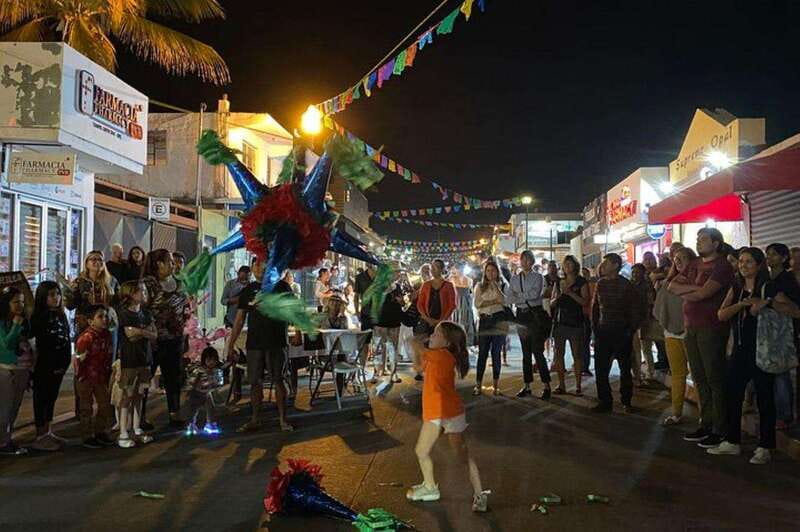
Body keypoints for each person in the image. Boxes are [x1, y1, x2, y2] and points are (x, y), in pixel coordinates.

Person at [406, 322, 489, 513]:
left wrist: (414, 342)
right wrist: (416, 348)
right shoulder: (437, 356)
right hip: (452, 411)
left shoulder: (441, 355)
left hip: (437, 411)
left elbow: (420, 351)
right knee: (462, 455)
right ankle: (479, 494)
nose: (431, 336)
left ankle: (430, 488)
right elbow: (418, 367)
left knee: (422, 451)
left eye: (436, 334)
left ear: (447, 342)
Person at [669, 228, 735, 448]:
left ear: (716, 243)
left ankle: (720, 429)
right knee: (699, 378)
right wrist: (695, 289)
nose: (698, 243)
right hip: (691, 327)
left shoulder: (722, 266)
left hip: (712, 327)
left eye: (703, 239)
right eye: (697, 239)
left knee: (714, 378)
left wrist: (690, 291)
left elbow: (704, 294)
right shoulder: (694, 263)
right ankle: (706, 424)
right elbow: (672, 285)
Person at [709, 247, 776, 464]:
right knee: (733, 394)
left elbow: (786, 309)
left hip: (763, 350)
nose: (743, 265)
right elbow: (721, 314)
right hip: (740, 349)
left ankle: (765, 446)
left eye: (748, 262)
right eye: (741, 261)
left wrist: (765, 304)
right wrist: (741, 304)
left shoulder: (768, 287)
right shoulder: (737, 287)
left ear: (759, 264)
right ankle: (732, 441)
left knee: (765, 398)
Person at [226, 258, 294, 432]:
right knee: (254, 381)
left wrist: (299, 332)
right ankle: (255, 419)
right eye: (255, 265)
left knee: (278, 379)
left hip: (276, 341)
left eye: (262, 265)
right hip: (254, 342)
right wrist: (231, 343)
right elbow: (240, 319)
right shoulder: (249, 290)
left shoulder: (282, 287)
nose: (259, 268)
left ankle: (283, 420)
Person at [142, 249, 190, 429]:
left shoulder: (179, 282)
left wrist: (185, 320)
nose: (173, 264)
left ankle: (174, 412)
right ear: (158, 264)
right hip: (153, 340)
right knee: (145, 378)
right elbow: (141, 308)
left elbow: (186, 305)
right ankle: (140, 416)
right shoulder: (148, 284)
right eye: (169, 261)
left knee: (173, 377)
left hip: (175, 338)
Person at [591, 253, 642, 413]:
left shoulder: (626, 285)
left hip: (621, 331)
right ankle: (605, 401)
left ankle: (626, 400)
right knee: (601, 369)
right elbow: (595, 308)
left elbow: (635, 309)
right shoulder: (600, 284)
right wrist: (595, 329)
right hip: (603, 331)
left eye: (606, 263)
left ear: (615, 265)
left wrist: (630, 330)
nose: (602, 266)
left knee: (625, 368)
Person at [655, 247, 696, 426]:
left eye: (682, 258)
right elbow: (659, 309)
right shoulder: (668, 282)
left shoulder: (700, 281)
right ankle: (676, 412)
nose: (678, 261)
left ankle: (706, 417)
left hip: (693, 334)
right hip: (671, 334)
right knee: (678, 374)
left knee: (698, 375)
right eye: (676, 259)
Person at [29, 281, 71, 451]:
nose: (56, 298)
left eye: (58, 294)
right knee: (42, 399)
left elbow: (66, 337)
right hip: (45, 365)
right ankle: (40, 435)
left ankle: (48, 431)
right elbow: (39, 344)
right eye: (52, 295)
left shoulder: (61, 315)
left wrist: (64, 362)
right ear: (43, 297)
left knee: (52, 398)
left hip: (60, 364)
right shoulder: (38, 317)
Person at [506, 250, 552, 399]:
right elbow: (509, 298)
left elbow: (534, 294)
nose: (525, 262)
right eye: (523, 259)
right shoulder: (514, 278)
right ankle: (527, 385)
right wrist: (522, 297)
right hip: (521, 316)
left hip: (534, 315)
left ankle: (546, 385)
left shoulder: (538, 277)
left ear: (532, 261)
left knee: (537, 351)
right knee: (525, 352)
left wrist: (518, 296)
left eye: (528, 259)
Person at [116, 281, 156, 448]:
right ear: (131, 294)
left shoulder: (146, 313)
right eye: (141, 291)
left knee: (140, 394)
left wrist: (139, 331)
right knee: (127, 395)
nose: (145, 293)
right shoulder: (124, 314)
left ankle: (137, 428)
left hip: (144, 358)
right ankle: (123, 432)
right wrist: (144, 332)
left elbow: (154, 334)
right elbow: (129, 335)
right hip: (130, 360)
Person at [764, 243, 800, 430]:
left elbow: (793, 307)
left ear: (784, 258)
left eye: (774, 254)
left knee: (781, 372)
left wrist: (771, 302)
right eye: (767, 254)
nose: (769, 257)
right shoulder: (768, 278)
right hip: (770, 331)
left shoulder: (787, 280)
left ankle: (785, 415)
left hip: (786, 331)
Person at [74, 305, 115, 448]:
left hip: (100, 376)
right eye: (100, 317)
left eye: (105, 316)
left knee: (105, 404)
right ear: (90, 321)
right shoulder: (86, 338)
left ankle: (100, 431)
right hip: (86, 377)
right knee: (86, 407)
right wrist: (80, 375)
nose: (104, 319)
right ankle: (87, 436)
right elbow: (78, 360)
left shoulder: (106, 335)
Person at [0, 287, 32, 455]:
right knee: (5, 408)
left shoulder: (24, 320)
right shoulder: (3, 322)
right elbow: (7, 344)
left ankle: (7, 439)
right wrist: (15, 325)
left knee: (14, 407)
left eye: (22, 301)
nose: (20, 305)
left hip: (22, 369)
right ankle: (3, 442)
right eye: (15, 302)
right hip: (7, 370)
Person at [551, 255, 589, 395]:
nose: (567, 266)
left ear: (575, 266)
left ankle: (578, 386)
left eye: (570, 264)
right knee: (559, 354)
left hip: (576, 322)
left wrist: (570, 293)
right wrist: (558, 297)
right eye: (565, 264)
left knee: (576, 355)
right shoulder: (559, 282)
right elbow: (552, 302)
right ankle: (561, 385)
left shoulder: (581, 282)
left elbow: (585, 301)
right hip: (560, 322)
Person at [416, 259, 458, 381]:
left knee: (442, 346)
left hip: (443, 321)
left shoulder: (449, 285)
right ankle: (426, 370)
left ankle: (441, 370)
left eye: (435, 268)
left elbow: (452, 305)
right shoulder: (426, 285)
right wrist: (426, 318)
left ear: (441, 269)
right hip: (427, 320)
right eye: (432, 268)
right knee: (426, 345)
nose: (432, 270)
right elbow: (420, 304)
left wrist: (441, 320)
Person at [473, 261, 508, 396]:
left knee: (496, 352)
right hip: (485, 321)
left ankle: (496, 385)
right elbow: (477, 304)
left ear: (497, 272)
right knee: (482, 353)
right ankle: (478, 384)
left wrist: (496, 287)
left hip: (499, 321)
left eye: (493, 270)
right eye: (488, 271)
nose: (490, 273)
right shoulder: (479, 286)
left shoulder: (503, 284)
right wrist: (494, 301)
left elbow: (504, 301)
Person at [185, 346, 224, 435]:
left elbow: (219, 382)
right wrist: (189, 391)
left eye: (214, 360)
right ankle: (191, 424)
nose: (211, 363)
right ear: (204, 360)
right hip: (196, 393)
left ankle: (210, 424)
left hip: (207, 393)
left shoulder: (217, 371)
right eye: (209, 360)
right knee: (193, 410)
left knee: (211, 408)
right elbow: (191, 381)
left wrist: (215, 382)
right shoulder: (199, 371)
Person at [630, 263, 657, 384]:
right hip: (632, 320)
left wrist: (647, 317)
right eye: (633, 272)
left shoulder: (647, 285)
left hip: (644, 319)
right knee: (635, 348)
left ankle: (650, 372)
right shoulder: (630, 285)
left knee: (646, 347)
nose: (635, 274)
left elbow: (651, 302)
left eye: (637, 272)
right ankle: (637, 373)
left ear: (643, 273)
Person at [643, 251, 669, 371]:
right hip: (647, 311)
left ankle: (664, 360)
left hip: (659, 308)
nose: (648, 261)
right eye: (646, 259)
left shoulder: (660, 272)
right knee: (649, 338)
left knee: (660, 338)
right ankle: (655, 361)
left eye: (650, 258)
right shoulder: (642, 274)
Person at [374, 286, 406, 383]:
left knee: (393, 349)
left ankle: (393, 373)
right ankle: (377, 372)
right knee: (379, 349)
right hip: (380, 321)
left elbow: (403, 303)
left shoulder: (397, 287)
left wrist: (400, 300)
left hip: (394, 321)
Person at [450, 267, 477, 348]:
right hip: (457, 303)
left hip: (465, 303)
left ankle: (466, 342)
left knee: (465, 320)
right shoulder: (451, 279)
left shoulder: (469, 280)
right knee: (458, 320)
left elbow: (471, 293)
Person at [580, 266, 596, 376]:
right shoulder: (582, 285)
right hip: (583, 315)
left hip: (591, 316)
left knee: (587, 342)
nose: (584, 276)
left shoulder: (592, 285)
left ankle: (585, 366)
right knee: (584, 342)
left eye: (585, 273)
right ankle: (584, 366)